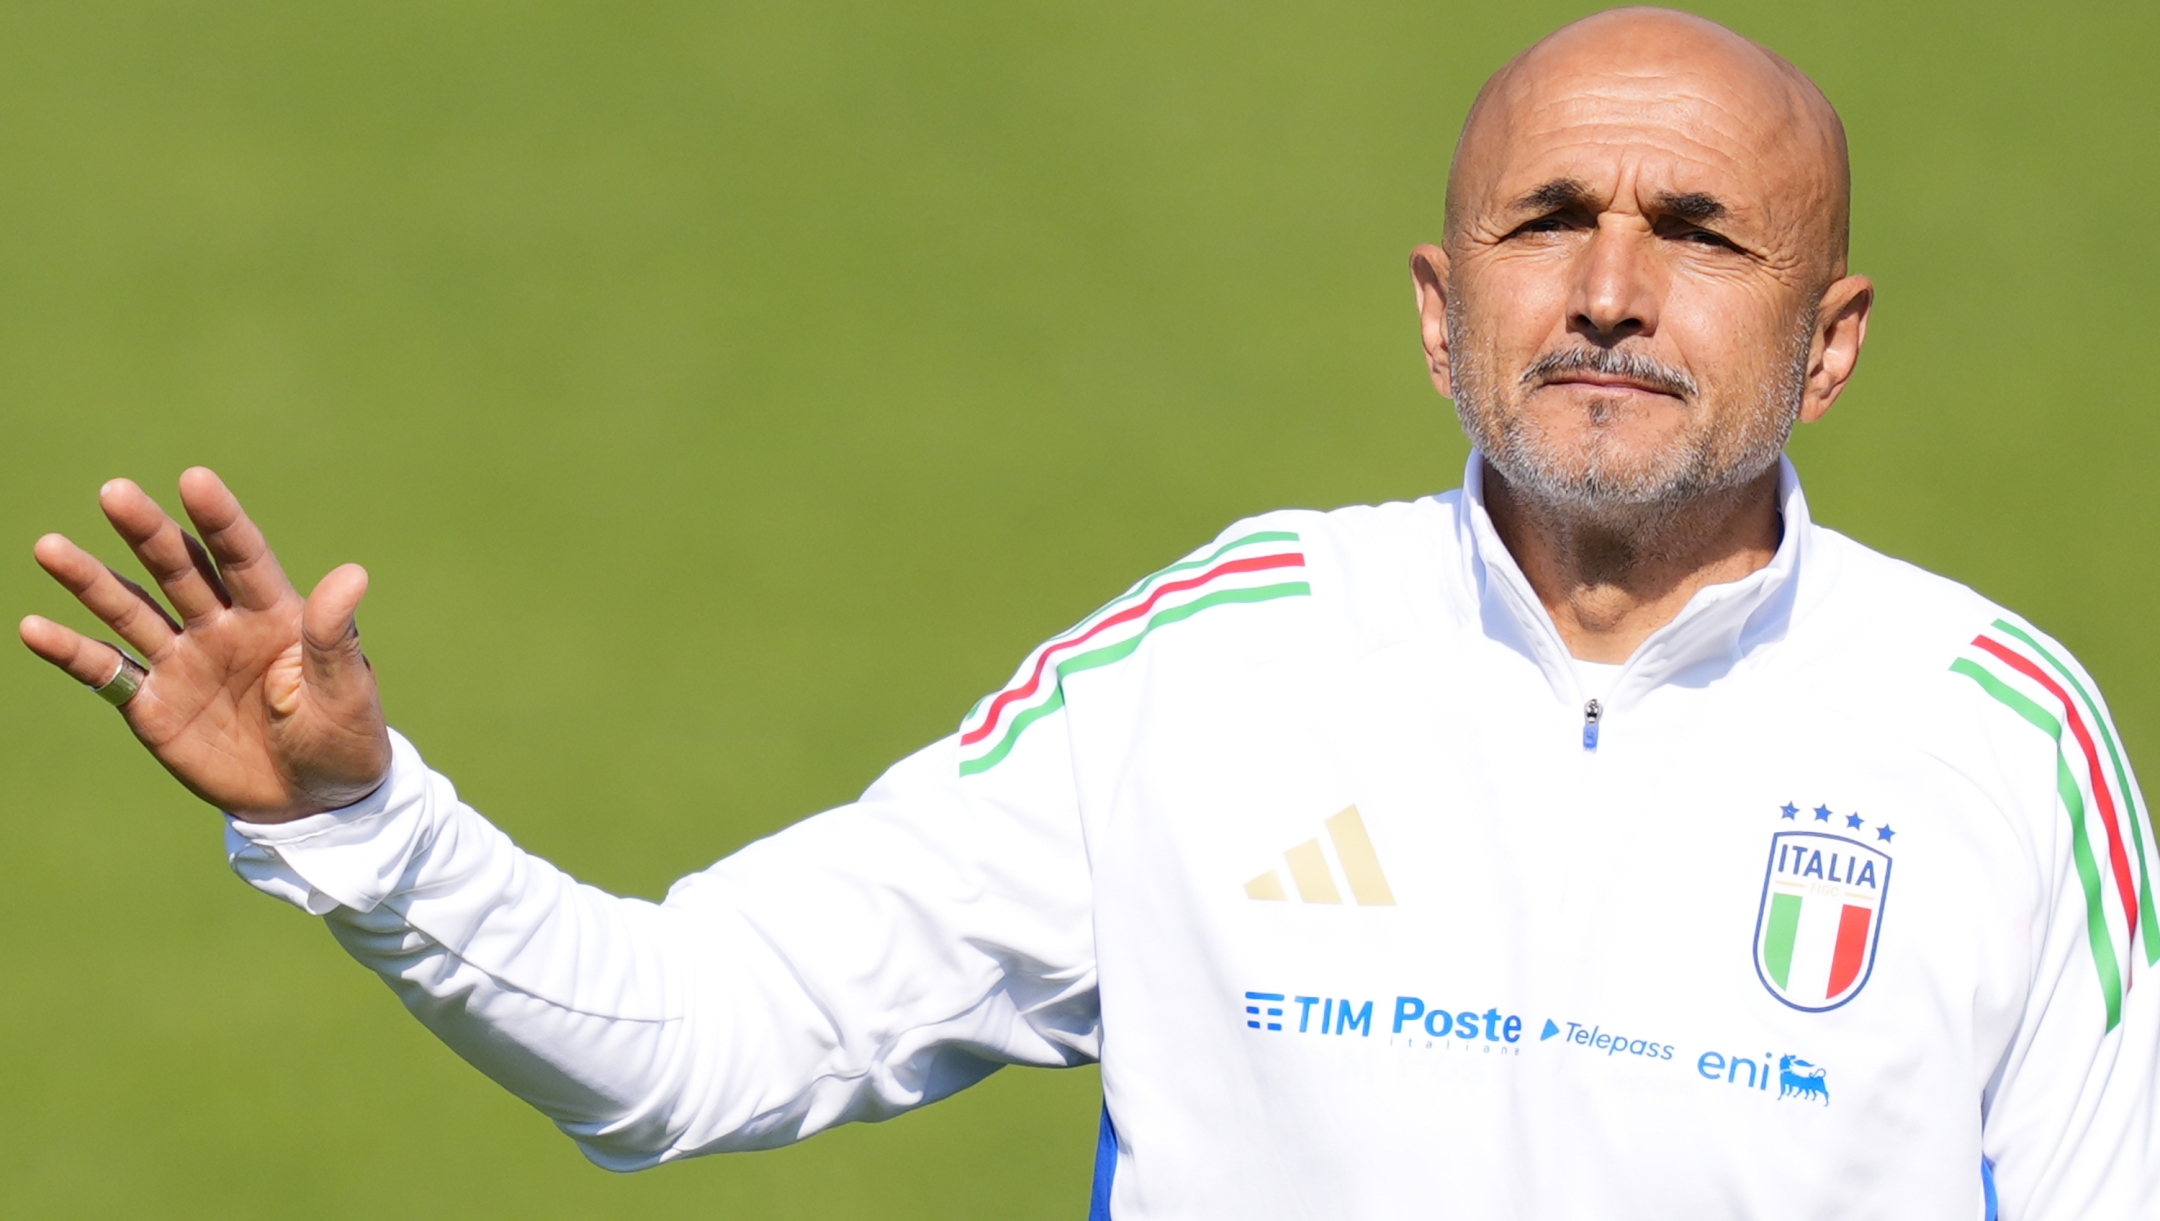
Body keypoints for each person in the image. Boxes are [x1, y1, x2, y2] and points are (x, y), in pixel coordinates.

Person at [19, 7, 2157, 1218]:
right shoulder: (1221, 665)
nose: (1607, 286)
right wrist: (362, 824)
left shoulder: (1994, 738)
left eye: (1696, 233)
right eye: (1545, 222)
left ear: (1834, 336)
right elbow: (693, 1036)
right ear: (1443, 310)